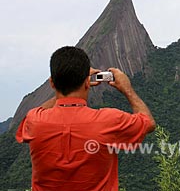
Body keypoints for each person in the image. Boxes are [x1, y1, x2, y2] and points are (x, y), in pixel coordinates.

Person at [16, 46, 156, 191]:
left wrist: (63, 90)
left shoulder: (34, 121)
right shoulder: (108, 120)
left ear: (52, 83)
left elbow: (36, 114)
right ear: (87, 83)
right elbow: (148, 122)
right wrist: (127, 89)